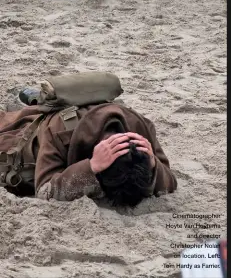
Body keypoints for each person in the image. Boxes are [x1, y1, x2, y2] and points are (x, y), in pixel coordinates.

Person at [0, 74, 177, 206]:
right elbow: (45, 191)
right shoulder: (60, 130)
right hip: (39, 132)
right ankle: (39, 101)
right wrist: (91, 167)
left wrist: (153, 164)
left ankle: (38, 99)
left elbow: (170, 181)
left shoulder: (142, 129)